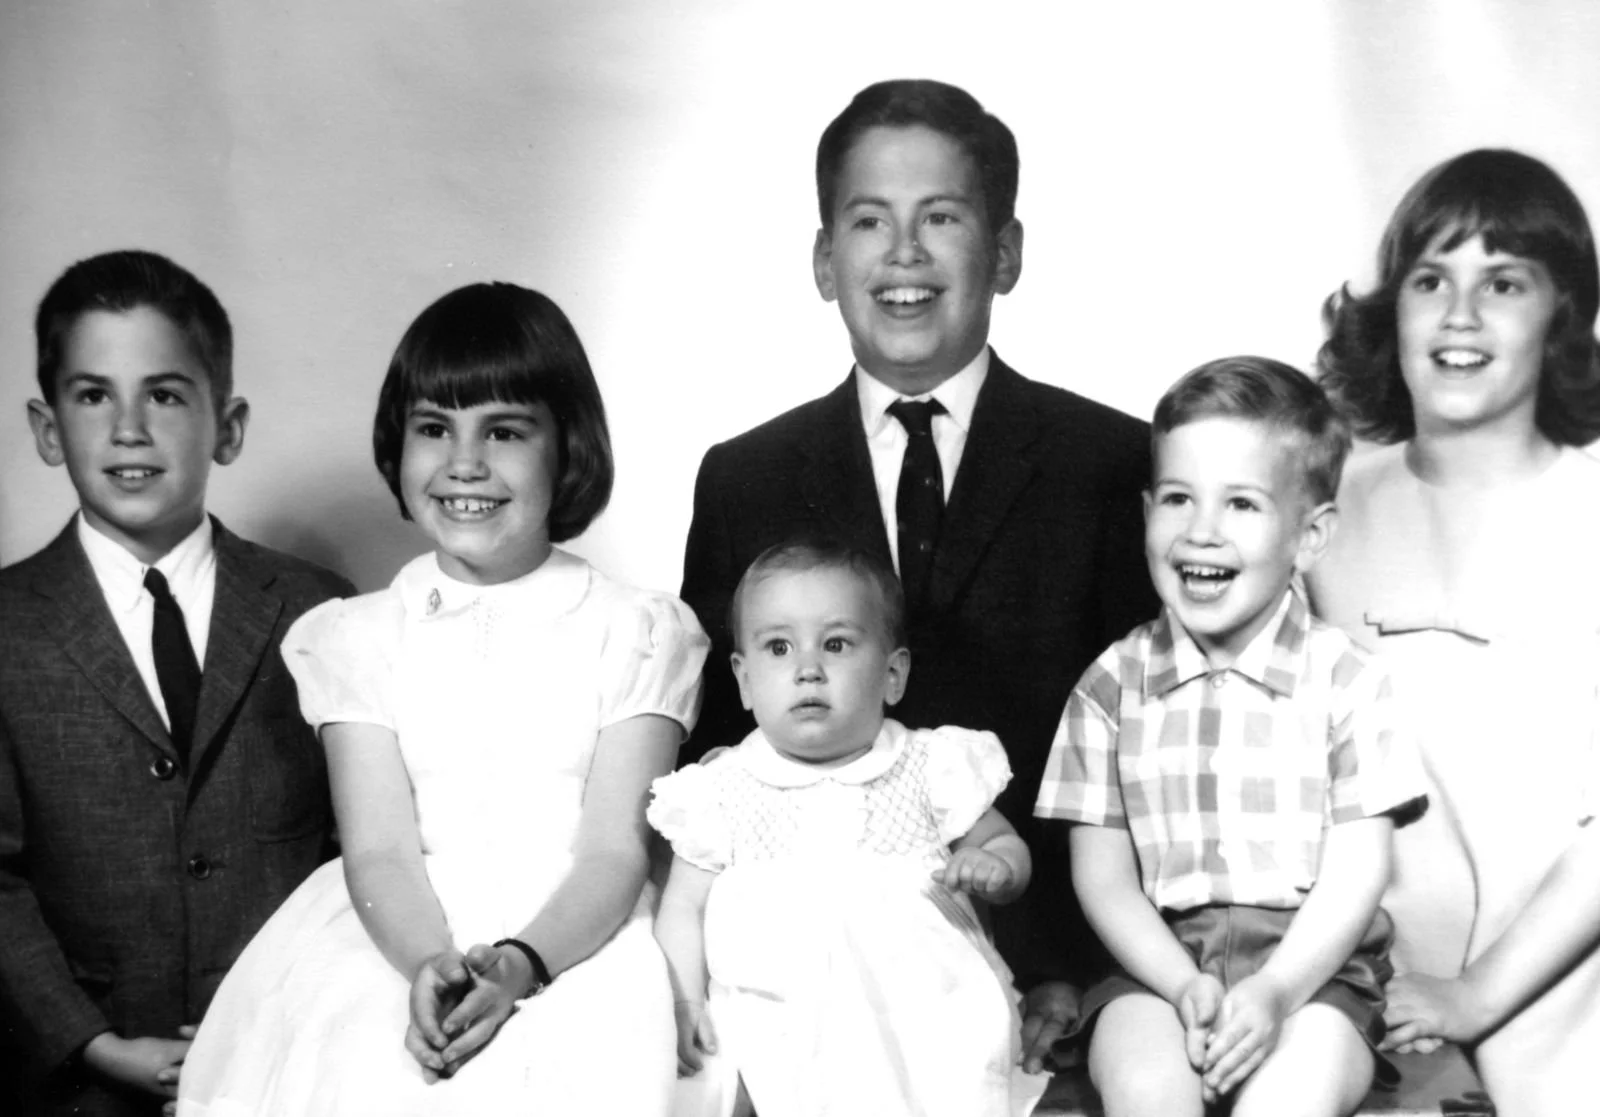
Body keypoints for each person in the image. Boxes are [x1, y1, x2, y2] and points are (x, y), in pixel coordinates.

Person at [678, 78, 1155, 1059]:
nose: (903, 253)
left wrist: (1081, 967)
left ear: (1005, 252)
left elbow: (1151, 757)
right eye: (869, 221)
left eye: (941, 217)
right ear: (824, 261)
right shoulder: (744, 478)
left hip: (1064, 965)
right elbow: (720, 752)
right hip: (808, 996)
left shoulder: (1112, 463)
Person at [176, 282, 709, 1116]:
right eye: (434, 428)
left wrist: (523, 963)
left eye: (505, 431)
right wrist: (429, 961)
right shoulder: (356, 636)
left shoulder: (636, 630)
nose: (465, 463)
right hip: (400, 932)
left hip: (573, 937)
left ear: (569, 448)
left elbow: (614, 852)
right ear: (398, 445)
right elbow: (380, 850)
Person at [0, 249, 353, 1117]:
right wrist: (92, 1042)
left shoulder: (320, 609)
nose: (129, 429)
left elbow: (355, 847)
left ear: (226, 426)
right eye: (94, 395)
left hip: (290, 1062)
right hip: (79, 1080)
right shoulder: (8, 626)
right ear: (48, 429)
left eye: (163, 394)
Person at [1035, 357, 1427, 1116]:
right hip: (1156, 965)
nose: (1201, 532)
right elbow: (1105, 879)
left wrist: (1277, 989)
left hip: (1313, 972)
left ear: (1310, 536)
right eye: (1177, 498)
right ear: (1147, 510)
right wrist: (1181, 982)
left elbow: (1358, 875)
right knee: (1147, 1090)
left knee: (1293, 1096)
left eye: (1241, 503)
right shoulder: (1110, 685)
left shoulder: (1349, 682)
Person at [1310, 148, 1600, 1116]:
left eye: (1503, 283)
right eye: (1430, 280)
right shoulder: (1324, 513)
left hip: (1572, 1015)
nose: (1460, 315)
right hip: (1372, 1013)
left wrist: (1473, 995)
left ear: (1561, 314)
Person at [652, 538, 1051, 1117]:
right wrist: (684, 1000)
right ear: (744, 680)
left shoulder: (928, 765)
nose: (808, 670)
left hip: (920, 1006)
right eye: (779, 647)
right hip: (774, 1014)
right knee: (729, 1084)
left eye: (836, 644)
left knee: (950, 1074)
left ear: (893, 674)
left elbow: (999, 840)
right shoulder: (720, 787)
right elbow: (683, 907)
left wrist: (998, 864)